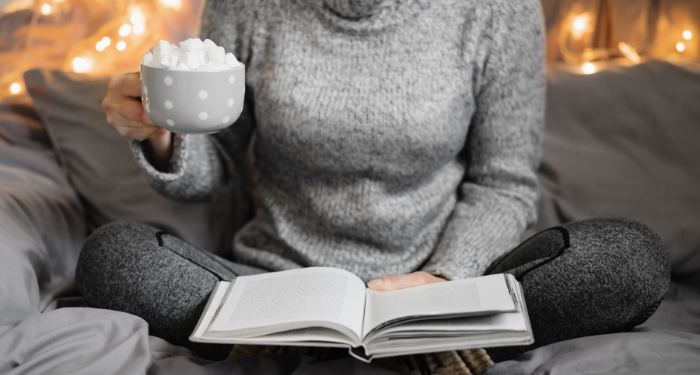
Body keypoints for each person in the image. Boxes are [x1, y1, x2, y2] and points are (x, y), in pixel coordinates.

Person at [76, 0, 670, 363]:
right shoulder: (247, 3)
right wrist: (160, 132)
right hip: (275, 284)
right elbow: (215, 170)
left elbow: (504, 182)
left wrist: (441, 281)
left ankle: (419, 344)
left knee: (628, 258)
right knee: (113, 256)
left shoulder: (499, 9)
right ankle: (280, 338)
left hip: (442, 294)